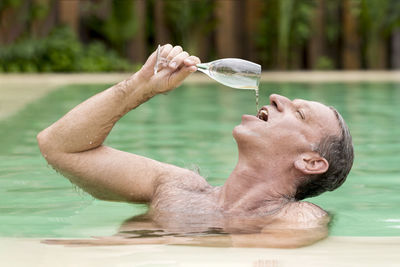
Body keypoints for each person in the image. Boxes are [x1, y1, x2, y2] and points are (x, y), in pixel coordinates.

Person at [37, 44, 354, 248]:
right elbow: (58, 146)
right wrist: (138, 88)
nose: (275, 97)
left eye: (299, 113)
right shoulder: (176, 186)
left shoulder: (299, 216)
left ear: (311, 162)